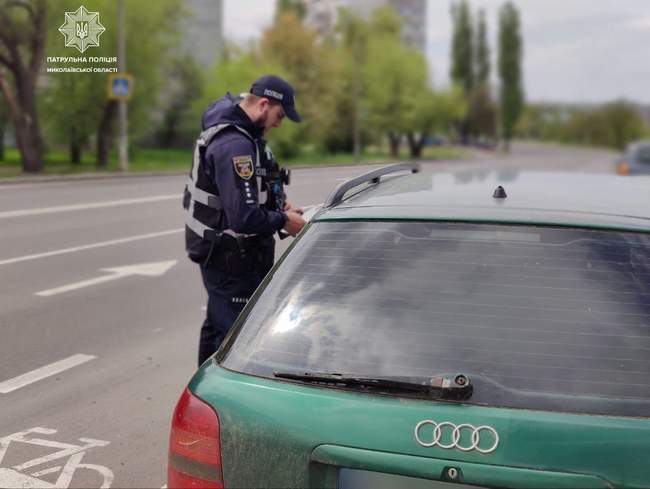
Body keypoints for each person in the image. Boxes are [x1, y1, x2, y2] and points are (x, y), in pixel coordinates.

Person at [183, 75, 306, 366]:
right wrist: (283, 221)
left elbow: (241, 195)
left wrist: (276, 204)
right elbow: (244, 217)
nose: (279, 123)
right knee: (237, 347)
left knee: (217, 331)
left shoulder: (243, 135)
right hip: (231, 260)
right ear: (264, 104)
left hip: (229, 255)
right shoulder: (234, 145)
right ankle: (224, 406)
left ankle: (200, 395)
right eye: (279, 114)